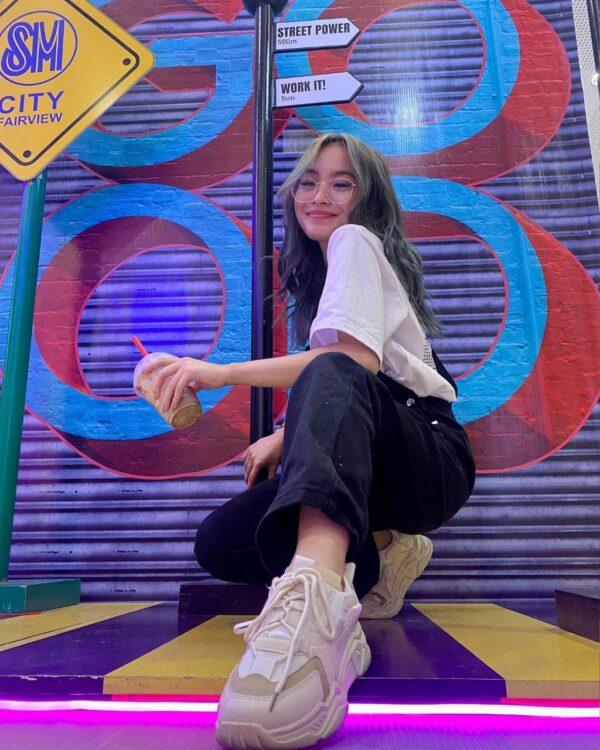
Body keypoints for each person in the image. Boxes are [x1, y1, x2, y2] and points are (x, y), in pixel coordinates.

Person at [148, 134, 475, 749]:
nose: (319, 195)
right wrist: (285, 433)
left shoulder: (356, 241)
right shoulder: (324, 281)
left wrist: (218, 373)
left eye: (341, 183)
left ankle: (319, 606)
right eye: (309, 181)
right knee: (221, 541)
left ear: (365, 199)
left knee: (332, 369)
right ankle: (380, 555)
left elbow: (350, 363)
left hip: (430, 458)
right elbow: (342, 375)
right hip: (375, 454)